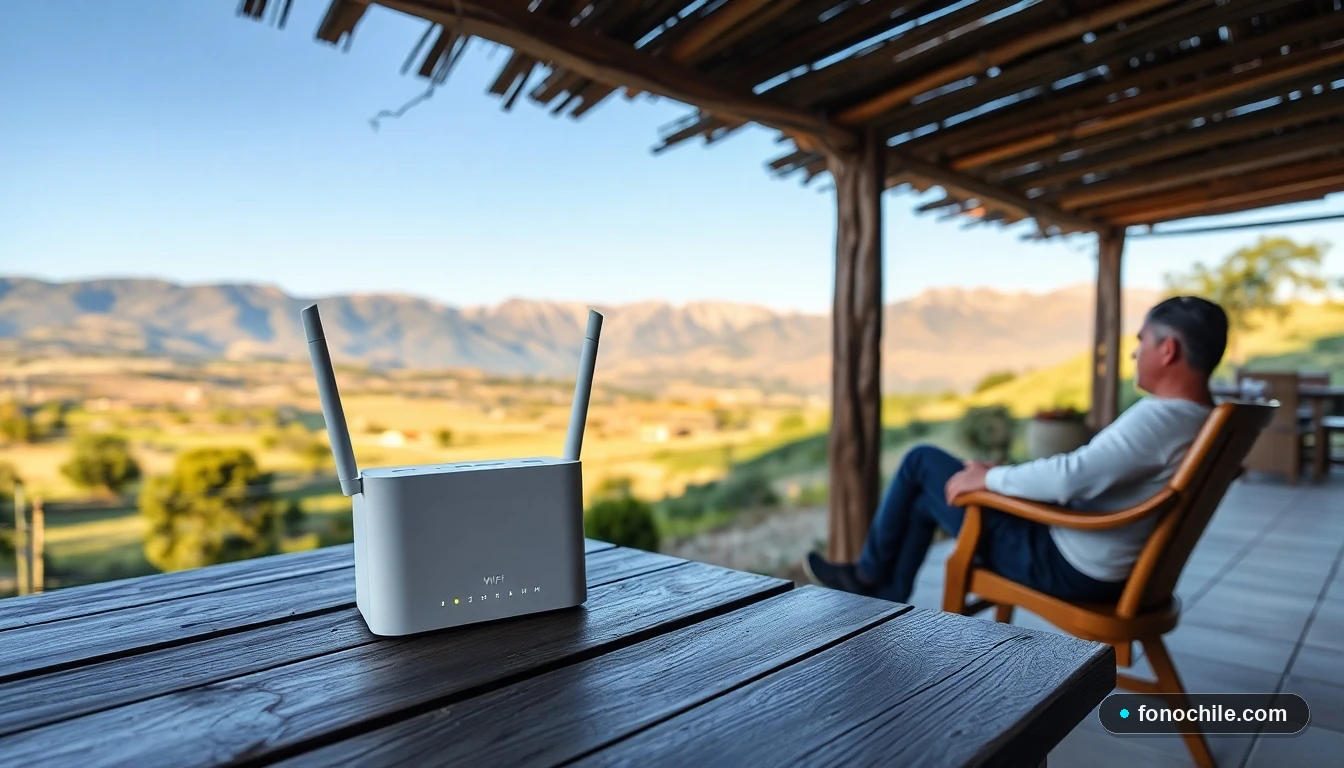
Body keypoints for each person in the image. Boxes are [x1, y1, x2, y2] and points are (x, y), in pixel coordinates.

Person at [805, 295, 1229, 604]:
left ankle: (866, 576)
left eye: (1142, 341)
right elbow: (1086, 472)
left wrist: (989, 478)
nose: (1135, 353)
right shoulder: (1203, 420)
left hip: (1068, 566)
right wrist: (1002, 475)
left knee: (921, 463)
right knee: (925, 499)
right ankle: (883, 589)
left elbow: (1071, 477)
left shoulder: (1162, 417)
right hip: (1106, 562)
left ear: (1168, 350)